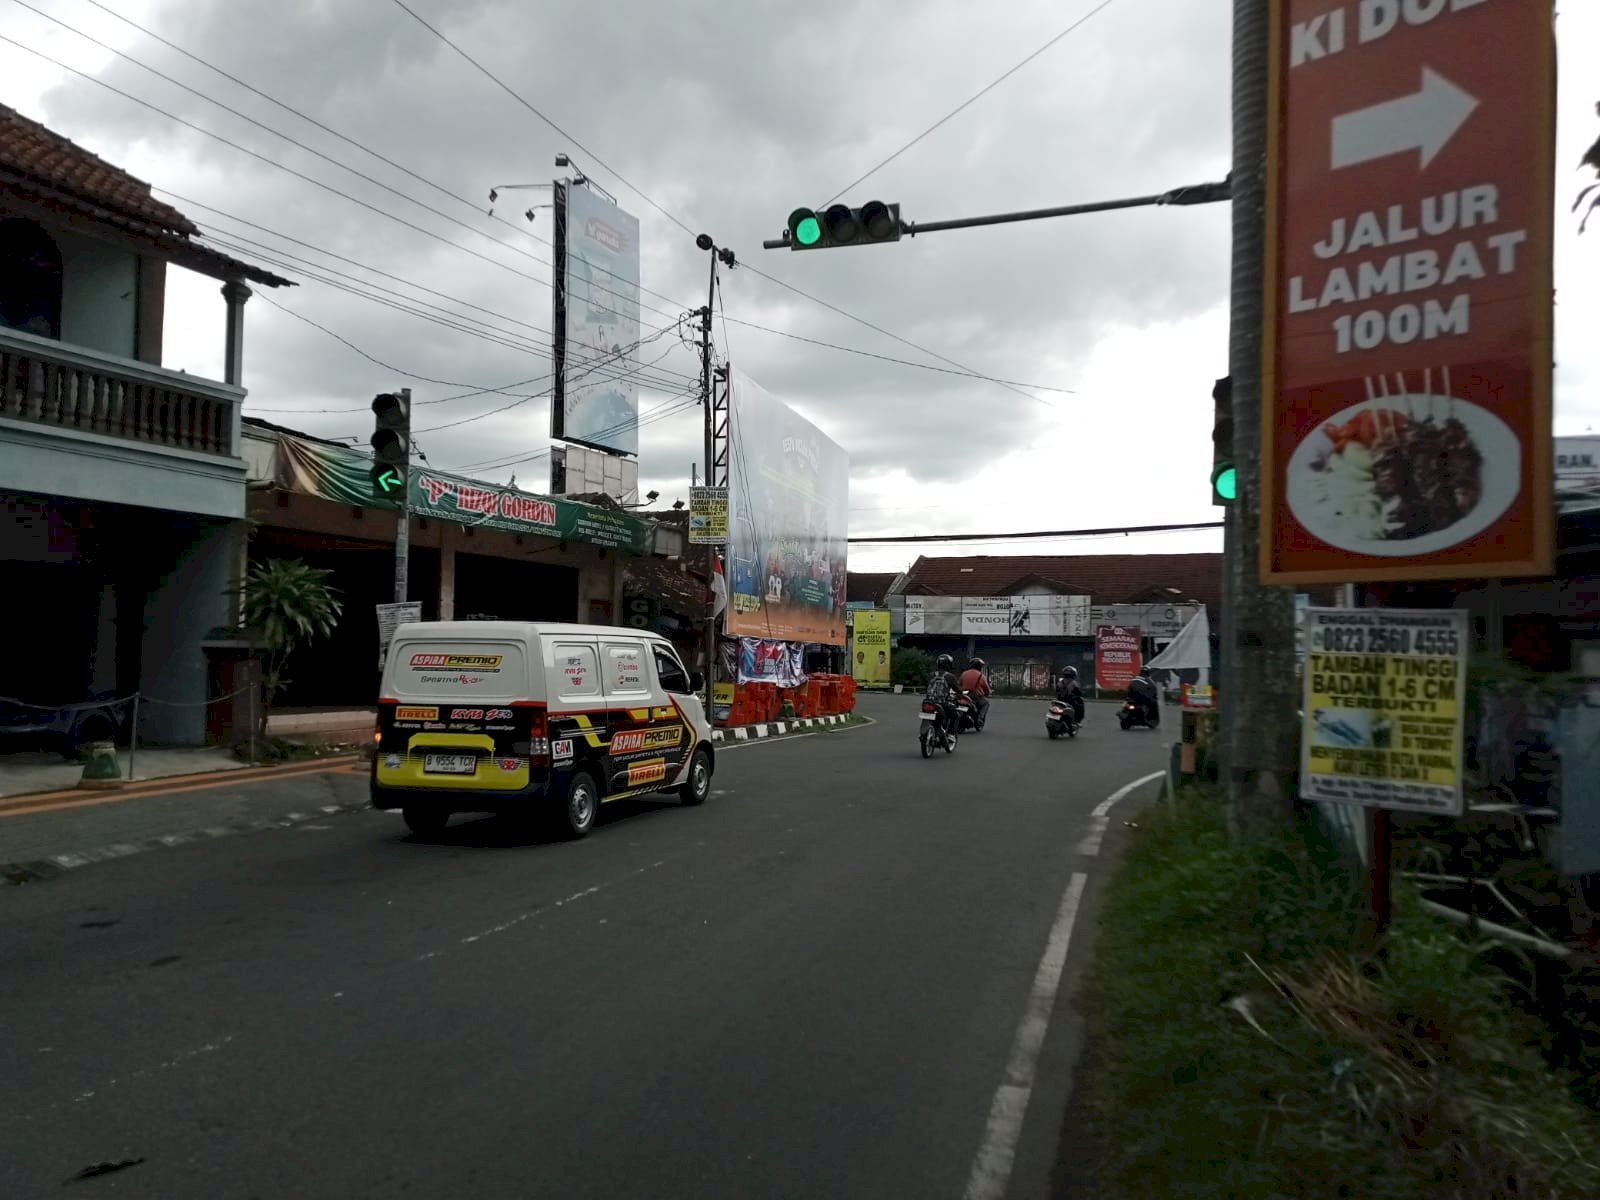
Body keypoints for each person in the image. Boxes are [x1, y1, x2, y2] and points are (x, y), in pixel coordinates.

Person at [925, 653, 961, 741]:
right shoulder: (950, 676)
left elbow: (927, 687)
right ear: (949, 664)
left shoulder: (930, 675)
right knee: (956, 716)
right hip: (942, 703)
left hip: (928, 701)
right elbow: (958, 690)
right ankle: (951, 734)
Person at [959, 657, 992, 728]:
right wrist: (987, 693)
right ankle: (980, 719)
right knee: (985, 704)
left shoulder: (964, 673)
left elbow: (960, 684)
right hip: (976, 697)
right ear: (979, 666)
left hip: (963, 697)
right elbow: (986, 688)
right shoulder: (981, 676)